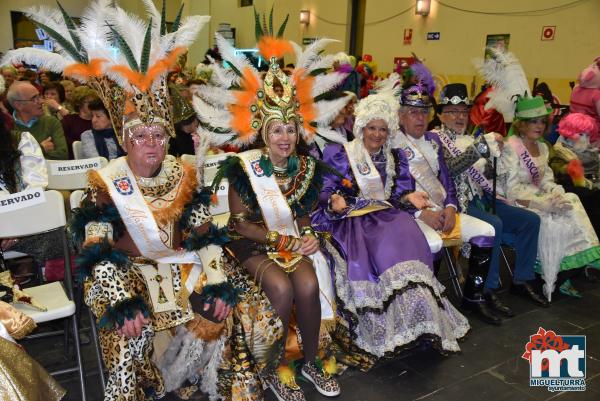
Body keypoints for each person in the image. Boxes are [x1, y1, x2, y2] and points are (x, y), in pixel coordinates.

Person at [197, 35, 344, 401]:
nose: (285, 137)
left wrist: (309, 235)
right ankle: (275, 369)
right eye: (277, 129)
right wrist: (286, 241)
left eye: (291, 129)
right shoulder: (244, 168)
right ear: (264, 131)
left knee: (308, 285)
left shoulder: (306, 167)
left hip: (289, 242)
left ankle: (310, 362)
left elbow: (305, 213)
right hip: (249, 242)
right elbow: (240, 222)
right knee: (279, 286)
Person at [312, 91, 470, 369]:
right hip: (355, 219)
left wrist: (410, 199)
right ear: (361, 128)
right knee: (382, 255)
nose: (377, 134)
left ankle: (420, 323)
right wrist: (332, 199)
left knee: (408, 239)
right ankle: (387, 327)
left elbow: (398, 196)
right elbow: (323, 189)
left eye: (382, 129)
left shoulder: (396, 157)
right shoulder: (340, 153)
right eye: (371, 128)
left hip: (388, 216)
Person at [434, 83, 548, 321]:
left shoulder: (468, 137)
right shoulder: (435, 140)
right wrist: (481, 147)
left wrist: (496, 161)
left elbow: (485, 178)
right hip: (457, 204)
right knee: (494, 224)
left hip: (482, 199)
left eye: (464, 112)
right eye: (453, 112)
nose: (459, 117)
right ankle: (486, 288)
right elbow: (452, 168)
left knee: (530, 220)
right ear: (440, 115)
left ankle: (522, 278)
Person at [392, 83, 500, 324]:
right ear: (400, 115)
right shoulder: (392, 143)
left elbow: (447, 181)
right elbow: (393, 192)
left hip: (443, 209)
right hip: (411, 215)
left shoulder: (433, 140)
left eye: (423, 112)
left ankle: (473, 297)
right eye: (413, 112)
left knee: (487, 230)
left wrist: (451, 207)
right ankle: (429, 302)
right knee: (435, 242)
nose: (419, 118)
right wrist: (421, 215)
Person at [499, 95, 600, 300]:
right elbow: (511, 191)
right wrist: (541, 203)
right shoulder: (511, 147)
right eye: (533, 121)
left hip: (539, 194)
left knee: (571, 200)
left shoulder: (543, 146)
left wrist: (556, 193)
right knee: (549, 220)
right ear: (522, 124)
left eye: (542, 121)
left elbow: (545, 179)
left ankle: (571, 266)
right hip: (518, 201)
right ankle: (548, 272)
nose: (539, 126)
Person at [7, 81, 68, 160]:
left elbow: (62, 155)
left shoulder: (51, 122)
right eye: (34, 99)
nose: (42, 101)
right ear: (18, 105)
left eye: (39, 96)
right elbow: (11, 160)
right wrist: (41, 148)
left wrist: (27, 152)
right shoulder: (7, 127)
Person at [61, 86, 95, 159]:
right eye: (90, 102)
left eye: (94, 102)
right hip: (73, 161)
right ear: (78, 103)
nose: (93, 105)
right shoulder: (68, 120)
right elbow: (63, 142)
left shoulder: (99, 121)